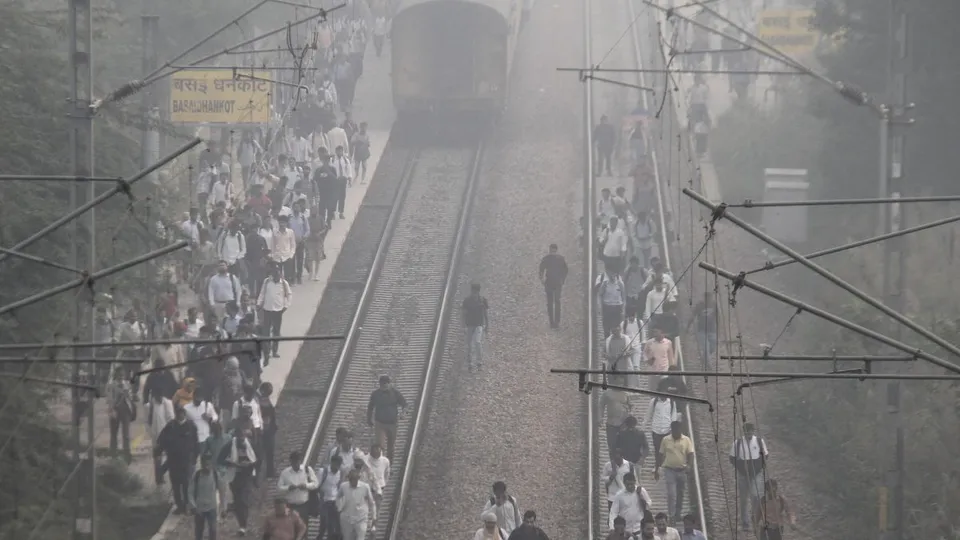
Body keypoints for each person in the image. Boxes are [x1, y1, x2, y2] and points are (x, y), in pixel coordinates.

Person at [156, 406, 199, 514]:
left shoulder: (191, 426)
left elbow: (196, 443)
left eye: (181, 413)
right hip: (173, 460)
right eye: (178, 413)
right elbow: (162, 440)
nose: (180, 416)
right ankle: (179, 506)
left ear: (184, 414)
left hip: (186, 460)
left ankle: (187, 505)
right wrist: (158, 452)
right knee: (175, 485)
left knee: (186, 484)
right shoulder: (170, 426)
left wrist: (195, 456)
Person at [730, 422, 769, 531]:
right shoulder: (737, 443)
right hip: (742, 474)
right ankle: (745, 522)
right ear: (744, 431)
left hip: (756, 474)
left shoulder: (759, 442)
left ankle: (755, 520)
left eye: (750, 431)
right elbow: (732, 458)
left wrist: (758, 467)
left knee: (756, 497)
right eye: (747, 431)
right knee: (743, 499)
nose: (749, 433)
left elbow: (766, 455)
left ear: (753, 431)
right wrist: (741, 468)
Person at [654, 421, 695, 523]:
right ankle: (671, 515)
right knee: (672, 494)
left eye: (678, 430)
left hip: (682, 470)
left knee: (680, 493)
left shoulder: (686, 440)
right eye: (674, 430)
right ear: (671, 430)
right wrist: (656, 469)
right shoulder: (666, 440)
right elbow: (660, 454)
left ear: (680, 430)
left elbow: (690, 454)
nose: (676, 432)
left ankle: (678, 514)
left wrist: (689, 465)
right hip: (669, 470)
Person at [218, 428, 257, 535]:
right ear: (235, 438)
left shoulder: (251, 444)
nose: (241, 441)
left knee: (244, 500)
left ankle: (243, 525)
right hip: (234, 476)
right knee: (238, 501)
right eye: (239, 439)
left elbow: (258, 458)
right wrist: (233, 464)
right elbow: (220, 459)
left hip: (247, 475)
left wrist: (250, 465)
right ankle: (241, 524)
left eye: (243, 438)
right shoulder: (230, 445)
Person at [366, 375, 407, 462]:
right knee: (380, 446)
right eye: (382, 384)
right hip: (380, 423)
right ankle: (380, 464)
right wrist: (369, 419)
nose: (384, 386)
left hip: (393, 424)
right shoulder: (375, 394)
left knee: (391, 446)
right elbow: (370, 407)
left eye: (386, 384)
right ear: (379, 384)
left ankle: (389, 465)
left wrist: (403, 413)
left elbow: (404, 404)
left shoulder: (395, 393)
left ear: (389, 384)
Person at [258, 264, 293, 358]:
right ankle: (267, 351)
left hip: (278, 311)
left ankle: (274, 351)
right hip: (267, 310)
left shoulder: (284, 283)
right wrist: (259, 303)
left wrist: (286, 306)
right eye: (275, 273)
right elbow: (262, 293)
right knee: (266, 332)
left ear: (280, 274)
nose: (277, 275)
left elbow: (289, 295)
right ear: (272, 274)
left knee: (276, 332)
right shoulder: (267, 282)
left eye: (278, 273)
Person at [277, 450, 320, 521]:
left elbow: (316, 484)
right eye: (294, 462)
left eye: (297, 461)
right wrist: (288, 488)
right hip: (291, 505)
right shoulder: (285, 473)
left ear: (300, 461)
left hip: (304, 505)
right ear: (290, 461)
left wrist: (306, 486)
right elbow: (279, 488)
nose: (296, 464)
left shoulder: (307, 470)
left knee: (303, 526)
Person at [105, 367, 136, 463]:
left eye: (123, 374)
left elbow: (131, 397)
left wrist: (128, 395)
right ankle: (113, 455)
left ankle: (127, 456)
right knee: (114, 434)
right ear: (116, 375)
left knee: (126, 434)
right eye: (120, 374)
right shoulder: (111, 385)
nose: (121, 376)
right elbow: (109, 400)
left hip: (125, 410)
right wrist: (112, 410)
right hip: (115, 410)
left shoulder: (127, 384)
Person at [337, 468, 376, 540]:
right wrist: (339, 507)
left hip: (361, 518)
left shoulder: (365, 487)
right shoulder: (343, 486)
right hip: (347, 518)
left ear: (358, 478)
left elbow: (372, 503)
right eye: (351, 479)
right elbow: (338, 497)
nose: (352, 481)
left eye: (354, 479)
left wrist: (374, 518)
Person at [189, 453, 220, 540]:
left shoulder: (215, 474)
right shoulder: (197, 475)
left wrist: (222, 507)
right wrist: (193, 506)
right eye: (205, 464)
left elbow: (222, 490)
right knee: (199, 531)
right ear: (202, 464)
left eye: (209, 464)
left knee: (213, 530)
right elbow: (190, 491)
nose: (207, 467)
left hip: (212, 507)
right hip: (199, 509)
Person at [538, 243, 568, 328]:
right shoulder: (560, 259)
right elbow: (565, 270)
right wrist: (562, 279)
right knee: (556, 302)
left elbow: (541, 269)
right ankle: (555, 322)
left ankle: (553, 322)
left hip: (551, 283)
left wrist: (541, 279)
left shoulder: (547, 258)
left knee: (551, 302)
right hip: (556, 283)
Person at [461, 283, 489, 372]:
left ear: (478, 291)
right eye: (473, 291)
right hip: (469, 325)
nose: (474, 293)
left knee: (477, 342)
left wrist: (487, 325)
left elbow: (485, 314)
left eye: (475, 291)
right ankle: (470, 363)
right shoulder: (467, 301)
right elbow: (464, 314)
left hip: (479, 325)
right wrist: (463, 325)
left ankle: (479, 363)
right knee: (469, 344)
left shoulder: (483, 300)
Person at [316, 454, 344, 540]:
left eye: (339, 465)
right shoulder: (322, 472)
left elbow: (338, 486)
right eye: (336, 464)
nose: (337, 467)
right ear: (331, 463)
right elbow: (317, 486)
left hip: (334, 502)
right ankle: (321, 536)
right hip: (324, 501)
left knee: (336, 524)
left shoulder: (340, 473)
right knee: (326, 524)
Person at [603, 447, 635, 512]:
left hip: (625, 496)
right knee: (612, 517)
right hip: (612, 497)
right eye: (615, 459)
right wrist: (610, 477)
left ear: (622, 456)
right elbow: (603, 478)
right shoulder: (608, 465)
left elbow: (634, 479)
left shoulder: (629, 465)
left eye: (618, 459)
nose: (616, 461)